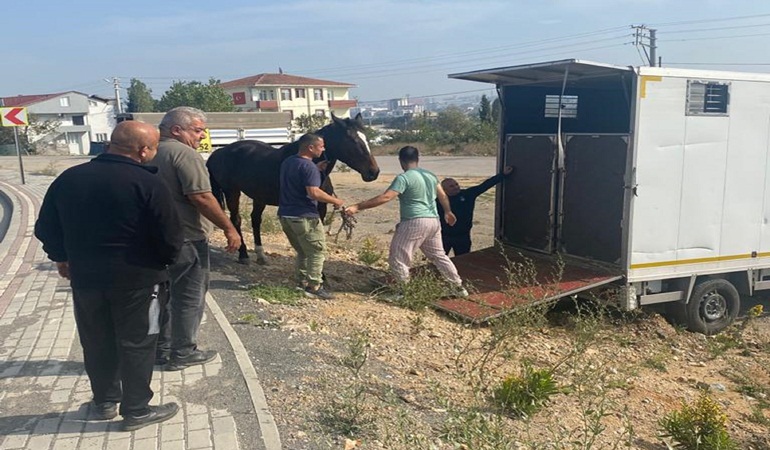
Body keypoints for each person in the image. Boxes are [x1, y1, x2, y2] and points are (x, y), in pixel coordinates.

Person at [34, 121, 183, 431]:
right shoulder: (149, 183)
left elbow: (46, 227)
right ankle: (137, 410)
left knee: (97, 340)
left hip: (86, 280)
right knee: (139, 342)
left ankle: (104, 402)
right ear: (143, 150)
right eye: (154, 148)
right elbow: (170, 236)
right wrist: (164, 264)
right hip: (141, 281)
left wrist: (61, 257)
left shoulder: (69, 179)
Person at [150, 106, 241, 371]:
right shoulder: (184, 154)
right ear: (177, 130)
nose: (202, 136)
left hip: (155, 238)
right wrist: (229, 228)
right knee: (189, 296)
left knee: (162, 296)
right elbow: (200, 196)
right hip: (187, 237)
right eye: (198, 130)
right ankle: (183, 352)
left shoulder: (148, 151)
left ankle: (161, 349)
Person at [344, 146, 468, 296]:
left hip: (414, 221)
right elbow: (442, 195)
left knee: (398, 256)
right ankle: (458, 287)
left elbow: (386, 197)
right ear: (417, 158)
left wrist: (357, 206)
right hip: (433, 221)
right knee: (439, 256)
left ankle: (402, 292)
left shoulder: (403, 178)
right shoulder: (430, 175)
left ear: (401, 160)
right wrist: (448, 211)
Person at [278, 133, 345, 300]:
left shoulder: (289, 162)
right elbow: (313, 192)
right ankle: (314, 286)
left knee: (302, 250)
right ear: (310, 147)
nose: (323, 149)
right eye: (321, 146)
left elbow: (298, 179)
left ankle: (300, 281)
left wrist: (317, 169)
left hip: (286, 215)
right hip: (305, 216)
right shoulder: (309, 167)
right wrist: (335, 200)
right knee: (317, 251)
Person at [438, 166, 514, 256]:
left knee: (463, 259)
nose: (456, 187)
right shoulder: (438, 200)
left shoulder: (468, 194)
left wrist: (503, 175)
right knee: (439, 259)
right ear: (444, 190)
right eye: (451, 186)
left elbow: (485, 185)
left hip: (463, 236)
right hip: (444, 236)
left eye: (456, 184)